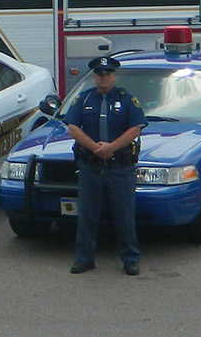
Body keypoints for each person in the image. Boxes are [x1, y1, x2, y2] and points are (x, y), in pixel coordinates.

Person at [62, 55, 147, 275]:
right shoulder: (83, 99)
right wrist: (95, 148)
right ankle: (84, 258)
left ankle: (130, 259)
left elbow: (136, 128)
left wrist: (111, 147)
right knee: (87, 215)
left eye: (107, 74)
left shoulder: (126, 99)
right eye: (99, 75)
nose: (103, 78)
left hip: (120, 167)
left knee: (124, 215)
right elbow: (72, 127)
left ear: (114, 75)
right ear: (94, 76)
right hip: (91, 166)